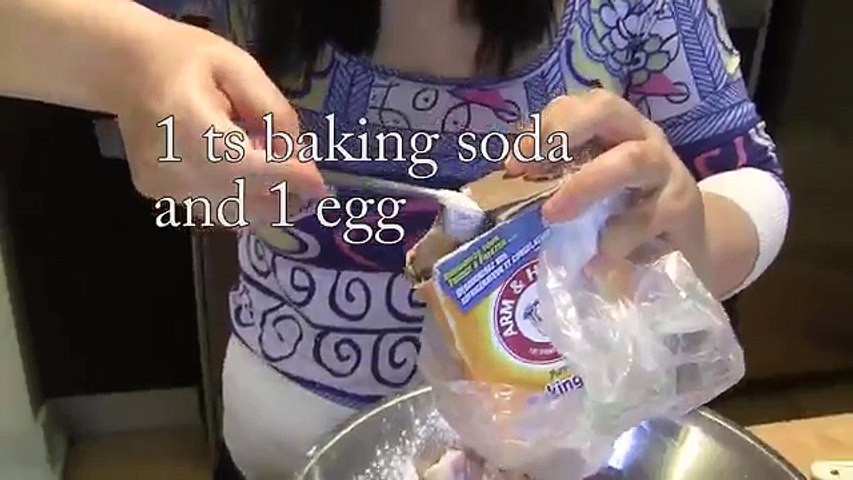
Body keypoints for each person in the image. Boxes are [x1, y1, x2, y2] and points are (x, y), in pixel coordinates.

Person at [0, 0, 790, 477]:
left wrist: (680, 231)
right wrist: (128, 59)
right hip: (284, 451)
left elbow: (748, 178)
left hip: (554, 450)